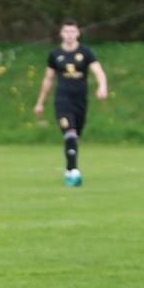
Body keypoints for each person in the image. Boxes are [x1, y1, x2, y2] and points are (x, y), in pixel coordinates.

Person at [33, 19, 108, 186]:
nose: (69, 35)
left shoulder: (86, 52)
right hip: (62, 100)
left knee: (75, 137)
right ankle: (74, 172)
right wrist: (40, 103)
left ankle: (69, 169)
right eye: (66, 32)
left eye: (72, 31)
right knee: (70, 133)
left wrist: (102, 86)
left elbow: (98, 71)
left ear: (78, 33)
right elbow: (48, 79)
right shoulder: (55, 54)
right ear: (61, 34)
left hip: (80, 101)